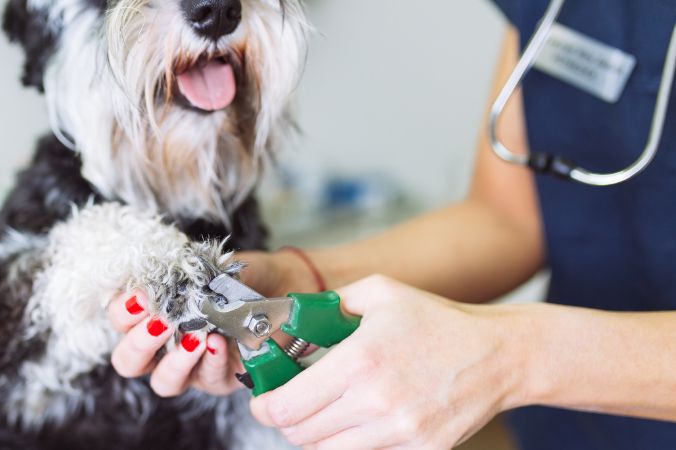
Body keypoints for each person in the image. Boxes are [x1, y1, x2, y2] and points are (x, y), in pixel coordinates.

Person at [107, 0, 676, 448]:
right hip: (576, 433)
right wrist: (301, 279)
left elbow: (514, 346)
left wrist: (514, 356)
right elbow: (509, 220)